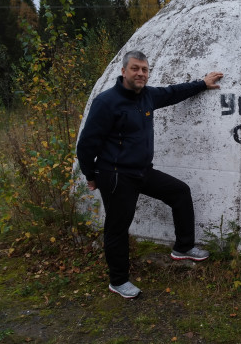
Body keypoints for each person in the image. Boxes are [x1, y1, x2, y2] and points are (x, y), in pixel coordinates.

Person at [77, 50, 223, 299]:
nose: (140, 73)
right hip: (115, 176)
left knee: (179, 192)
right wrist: (91, 175)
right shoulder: (107, 102)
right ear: (123, 71)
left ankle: (183, 247)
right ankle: (119, 280)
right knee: (118, 228)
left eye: (144, 69)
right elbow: (86, 144)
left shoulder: (147, 96)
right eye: (135, 68)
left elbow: (173, 92)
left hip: (142, 171)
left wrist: (202, 83)